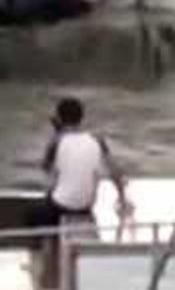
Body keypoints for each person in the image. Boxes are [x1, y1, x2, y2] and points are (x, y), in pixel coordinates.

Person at [33, 97, 131, 229]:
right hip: (86, 206)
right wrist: (122, 198)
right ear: (82, 118)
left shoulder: (56, 140)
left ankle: (47, 248)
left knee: (34, 214)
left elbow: (45, 168)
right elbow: (115, 172)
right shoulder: (97, 139)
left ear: (59, 118)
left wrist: (57, 133)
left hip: (61, 205)